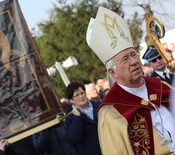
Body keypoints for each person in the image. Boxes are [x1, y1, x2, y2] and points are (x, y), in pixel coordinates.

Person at [86, 6, 175, 154]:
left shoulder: (160, 86)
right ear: (113, 72)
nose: (134, 61)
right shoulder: (111, 112)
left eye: (134, 54)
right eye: (125, 59)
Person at [64, 81, 101, 155]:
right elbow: (76, 138)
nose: (81, 96)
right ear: (71, 100)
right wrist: (77, 117)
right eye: (77, 95)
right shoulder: (70, 119)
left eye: (82, 93)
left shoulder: (99, 106)